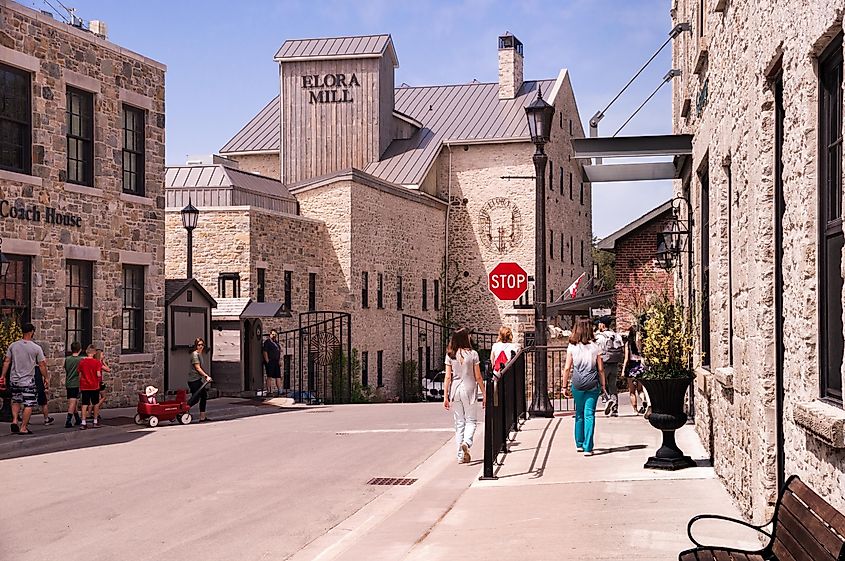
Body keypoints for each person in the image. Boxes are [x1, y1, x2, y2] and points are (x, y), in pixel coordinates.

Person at [561, 318, 607, 456]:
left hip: (577, 383)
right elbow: (600, 369)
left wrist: (564, 387)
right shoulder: (595, 346)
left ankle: (579, 443)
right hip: (592, 383)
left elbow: (567, 368)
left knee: (579, 414)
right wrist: (603, 385)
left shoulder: (572, 346)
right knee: (589, 415)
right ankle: (588, 447)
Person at [443, 328, 486, 464]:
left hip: (455, 390)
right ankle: (467, 443)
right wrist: (484, 393)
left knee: (459, 423)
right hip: (469, 389)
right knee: (471, 420)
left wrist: (445, 396)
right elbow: (478, 376)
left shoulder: (450, 355)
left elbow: (448, 377)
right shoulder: (473, 354)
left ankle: (460, 456)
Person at [2, 322, 48, 435]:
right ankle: (23, 427)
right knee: (29, 403)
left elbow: (7, 361)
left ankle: (14, 420)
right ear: (31, 332)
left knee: (16, 400)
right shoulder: (36, 348)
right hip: (27, 380)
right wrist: (46, 377)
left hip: (14, 379)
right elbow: (42, 364)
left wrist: (2, 375)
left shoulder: (13, 346)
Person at [594, 316, 623, 417]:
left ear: (602, 325)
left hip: (604, 363)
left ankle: (607, 400)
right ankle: (615, 409)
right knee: (612, 385)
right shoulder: (616, 335)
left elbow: (597, 350)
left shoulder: (599, 336)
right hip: (614, 362)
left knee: (599, 384)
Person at [622, 325, 648, 415]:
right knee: (640, 389)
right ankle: (643, 400)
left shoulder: (628, 344)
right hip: (640, 365)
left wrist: (623, 370)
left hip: (631, 366)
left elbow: (626, 358)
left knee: (632, 391)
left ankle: (635, 410)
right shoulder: (641, 343)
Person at [77, 346, 103, 429]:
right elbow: (98, 374)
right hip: (94, 386)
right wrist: (99, 381)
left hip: (85, 386)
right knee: (95, 404)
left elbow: (80, 374)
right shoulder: (97, 363)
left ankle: (83, 422)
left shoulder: (82, 362)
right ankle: (95, 421)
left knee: (84, 404)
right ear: (94, 352)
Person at [189, 338, 212, 422]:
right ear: (196, 346)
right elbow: (197, 368)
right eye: (199, 345)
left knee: (203, 396)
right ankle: (183, 410)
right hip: (193, 380)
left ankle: (202, 417)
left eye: (202, 345)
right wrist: (206, 376)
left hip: (197, 379)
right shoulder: (195, 355)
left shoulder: (199, 354)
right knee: (195, 398)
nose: (201, 346)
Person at [64, 341, 83, 428]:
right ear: (79, 349)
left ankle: (77, 418)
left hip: (68, 382)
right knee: (73, 401)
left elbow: (66, 369)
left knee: (72, 401)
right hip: (76, 383)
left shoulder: (67, 359)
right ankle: (68, 420)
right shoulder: (80, 360)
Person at [262, 330, 282, 397]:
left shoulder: (276, 343)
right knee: (269, 376)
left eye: (275, 334)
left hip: (276, 362)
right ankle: (269, 391)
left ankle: (280, 390)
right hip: (270, 361)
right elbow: (265, 351)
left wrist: (279, 360)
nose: (274, 336)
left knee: (278, 376)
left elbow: (279, 352)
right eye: (273, 334)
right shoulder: (267, 342)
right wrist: (267, 361)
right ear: (270, 334)